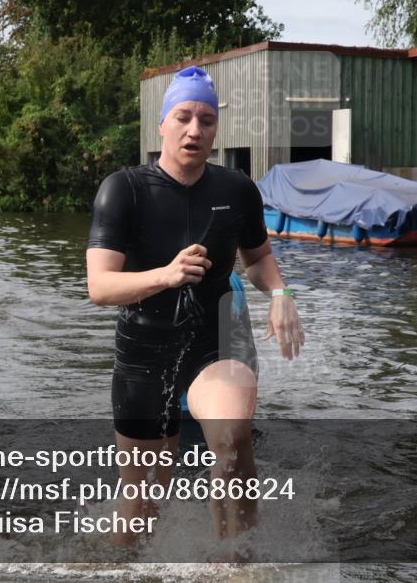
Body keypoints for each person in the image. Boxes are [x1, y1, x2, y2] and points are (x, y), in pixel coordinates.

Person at [87, 66, 304, 549]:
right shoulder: (124, 189)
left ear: (215, 130)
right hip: (143, 354)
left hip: (215, 343)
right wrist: (165, 275)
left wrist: (280, 295)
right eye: (183, 117)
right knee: (142, 507)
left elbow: (258, 258)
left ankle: (233, 567)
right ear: (162, 125)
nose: (195, 130)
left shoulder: (236, 190)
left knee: (231, 443)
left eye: (206, 120)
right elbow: (100, 286)